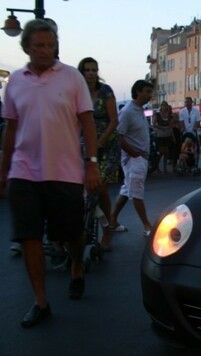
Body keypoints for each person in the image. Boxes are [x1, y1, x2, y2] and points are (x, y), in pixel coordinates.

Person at [0, 19, 100, 326]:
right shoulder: (16, 81)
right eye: (39, 45)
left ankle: (77, 266)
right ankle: (40, 301)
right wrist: (3, 170)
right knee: (29, 236)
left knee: (70, 233)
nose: (45, 51)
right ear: (26, 47)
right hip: (24, 171)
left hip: (64, 171)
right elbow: (10, 128)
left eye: (50, 45)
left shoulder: (71, 77)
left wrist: (92, 162)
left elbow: (87, 122)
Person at [78, 57, 119, 251]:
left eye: (94, 69)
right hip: (84, 146)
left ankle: (107, 230)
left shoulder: (105, 91)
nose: (91, 73)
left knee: (100, 188)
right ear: (82, 72)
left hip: (107, 147)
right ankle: (86, 226)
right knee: (85, 190)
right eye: (87, 69)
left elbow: (114, 121)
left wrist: (100, 142)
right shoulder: (77, 91)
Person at [110, 80, 154, 237]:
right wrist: (134, 153)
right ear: (139, 91)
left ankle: (112, 220)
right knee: (136, 192)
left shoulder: (139, 110)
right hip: (134, 159)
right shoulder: (128, 111)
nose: (150, 95)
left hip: (139, 157)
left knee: (128, 189)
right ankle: (147, 225)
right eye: (148, 91)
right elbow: (119, 136)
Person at [153, 101, 176, 173]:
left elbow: (171, 126)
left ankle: (165, 168)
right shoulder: (157, 115)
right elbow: (153, 124)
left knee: (166, 152)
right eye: (163, 106)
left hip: (167, 135)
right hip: (160, 135)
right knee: (161, 152)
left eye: (166, 106)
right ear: (161, 107)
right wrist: (161, 127)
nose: (165, 107)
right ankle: (156, 167)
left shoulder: (169, 115)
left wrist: (173, 136)